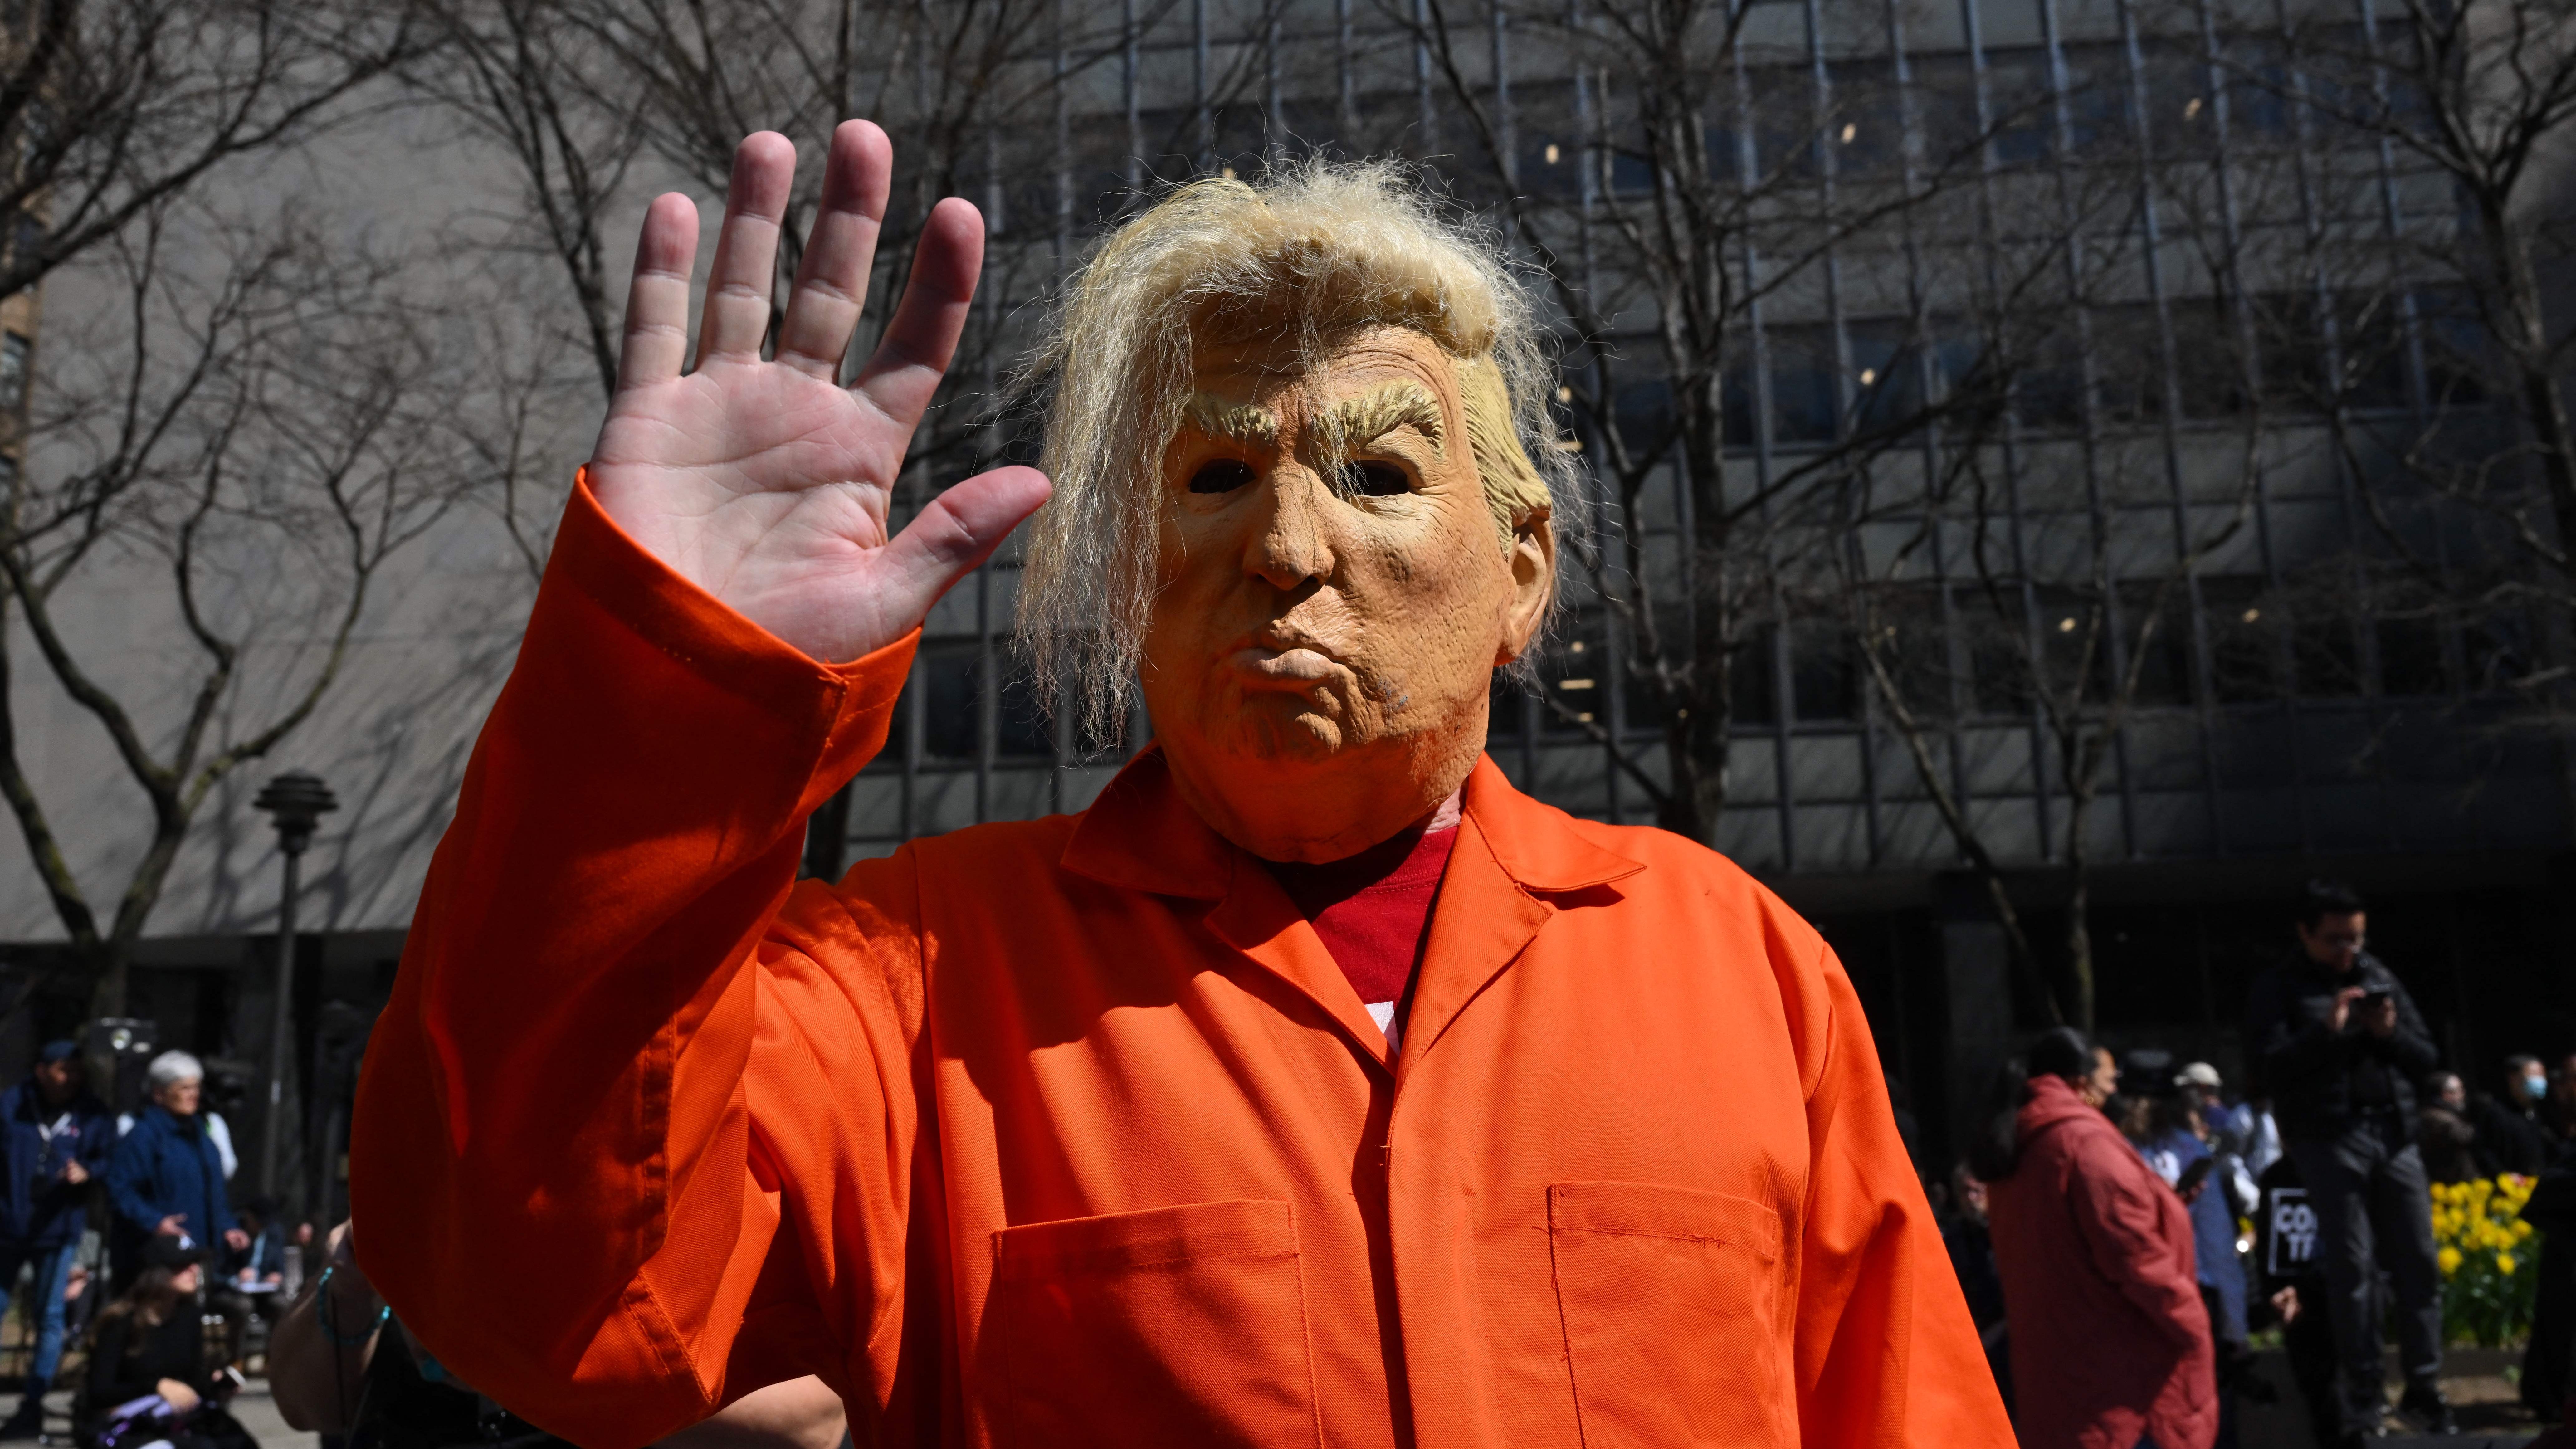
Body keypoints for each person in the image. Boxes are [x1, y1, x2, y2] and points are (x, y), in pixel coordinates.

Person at [347, 131, 2011, 1449]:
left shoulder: (1742, 970)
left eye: (1376, 472)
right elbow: (540, 1292)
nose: (1289, 548)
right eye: (1216, 475)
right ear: (1134, 571)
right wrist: (676, 689)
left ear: (1523, 567)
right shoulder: (915, 982)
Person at [268, 1221, 846, 1449]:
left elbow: (812, 1421)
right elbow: (304, 1406)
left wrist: (542, 1384)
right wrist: (347, 1284)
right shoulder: (420, 1199)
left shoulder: (703, 1199)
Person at [2242, 880, 2452, 1442]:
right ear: (2305, 933)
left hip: (2393, 1131)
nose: (2347, 951)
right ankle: (2364, 1398)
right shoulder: (2278, 987)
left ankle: (2425, 1387)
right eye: (2334, 939)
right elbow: (2266, 1068)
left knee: (2418, 1262)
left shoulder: (2377, 974)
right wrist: (2327, 1032)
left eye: (2356, 938)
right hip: (2328, 1137)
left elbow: (2427, 1057)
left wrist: (2387, 1034)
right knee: (2352, 1270)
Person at [1975, 1027, 2216, 1449]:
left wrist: (2161, 1204)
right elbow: (2137, 1260)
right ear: (2081, 1086)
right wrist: (2195, 1326)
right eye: (2110, 1081)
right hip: (2120, 1390)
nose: (2116, 1090)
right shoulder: (2086, 1146)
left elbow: (2079, 1236)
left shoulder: (2023, 1148)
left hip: (2058, 1377)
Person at [0, 1041, 115, 1437]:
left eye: (76, 1071)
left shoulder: (93, 1113)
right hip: (8, 1226)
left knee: (50, 1317)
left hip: (60, 1227)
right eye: (63, 1070)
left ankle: (32, 1403)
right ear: (42, 1070)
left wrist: (89, 1172)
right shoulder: (12, 1106)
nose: (71, 1079)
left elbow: (109, 1158)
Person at [78, 1238, 254, 1449]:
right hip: (130, 1425)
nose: (194, 1270)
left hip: (177, 1421)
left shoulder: (188, 1316)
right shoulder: (120, 1321)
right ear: (157, 1273)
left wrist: (217, 1387)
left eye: (196, 1263)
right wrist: (157, 1386)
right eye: (183, 1265)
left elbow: (193, 1381)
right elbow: (99, 1392)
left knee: (238, 1442)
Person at [105, 1054, 245, 1291]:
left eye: (196, 1087)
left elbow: (215, 1191)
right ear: (160, 1094)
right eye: (184, 1088)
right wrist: (155, 1222)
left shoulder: (201, 1136)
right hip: (153, 1257)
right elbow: (120, 1189)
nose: (194, 1095)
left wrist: (227, 1226)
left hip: (196, 1254)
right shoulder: (144, 1136)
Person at [1943, 1163, 2013, 1413]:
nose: (1972, 1200)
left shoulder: (2007, 1230)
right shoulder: (1954, 1238)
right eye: (1965, 1193)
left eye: (1977, 1191)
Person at [2472, 1054, 2555, 1178]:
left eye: (2542, 1075)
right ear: (2513, 1078)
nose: (2541, 1080)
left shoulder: (2537, 1113)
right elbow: (2484, 1152)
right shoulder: (2496, 1113)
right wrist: (2503, 1175)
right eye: (2534, 1075)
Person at [2417, 1071, 2481, 1184]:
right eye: (2458, 1091)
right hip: (2453, 1186)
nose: (2462, 1095)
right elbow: (2464, 1137)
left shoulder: (2448, 1115)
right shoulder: (2437, 1119)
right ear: (2446, 1094)